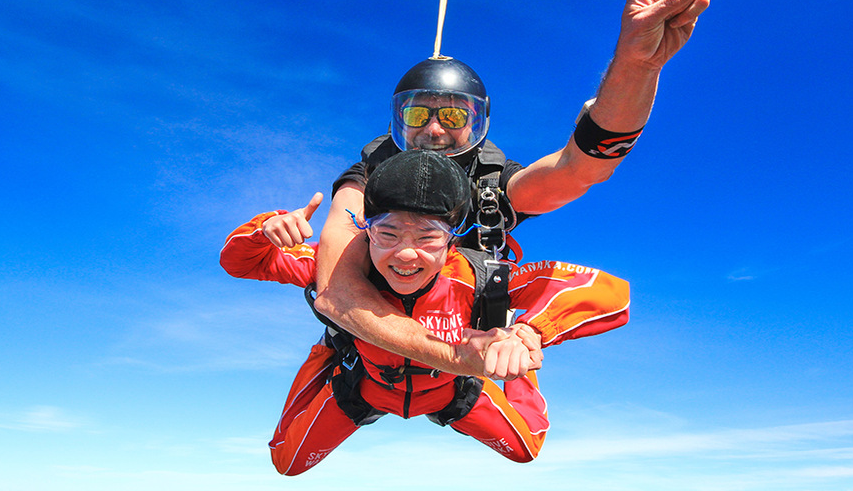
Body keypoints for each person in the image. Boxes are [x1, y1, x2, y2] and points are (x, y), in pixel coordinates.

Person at [308, 0, 718, 378]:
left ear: (478, 122)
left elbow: (580, 168)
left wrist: (636, 67)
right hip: (381, 358)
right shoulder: (367, 177)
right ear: (399, 119)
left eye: (454, 114)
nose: (434, 128)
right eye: (419, 113)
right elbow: (335, 292)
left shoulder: (491, 187)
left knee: (525, 448)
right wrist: (461, 358)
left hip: (468, 352)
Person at [220, 150, 630, 475]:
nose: (406, 253)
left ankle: (518, 366)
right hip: (363, 387)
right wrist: (268, 228)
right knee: (286, 464)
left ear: (452, 242)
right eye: (388, 233)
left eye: (428, 236)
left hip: (454, 393)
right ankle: (325, 358)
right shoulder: (338, 268)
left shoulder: (477, 278)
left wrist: (529, 333)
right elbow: (240, 261)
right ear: (365, 230)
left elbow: (610, 292)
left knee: (526, 450)